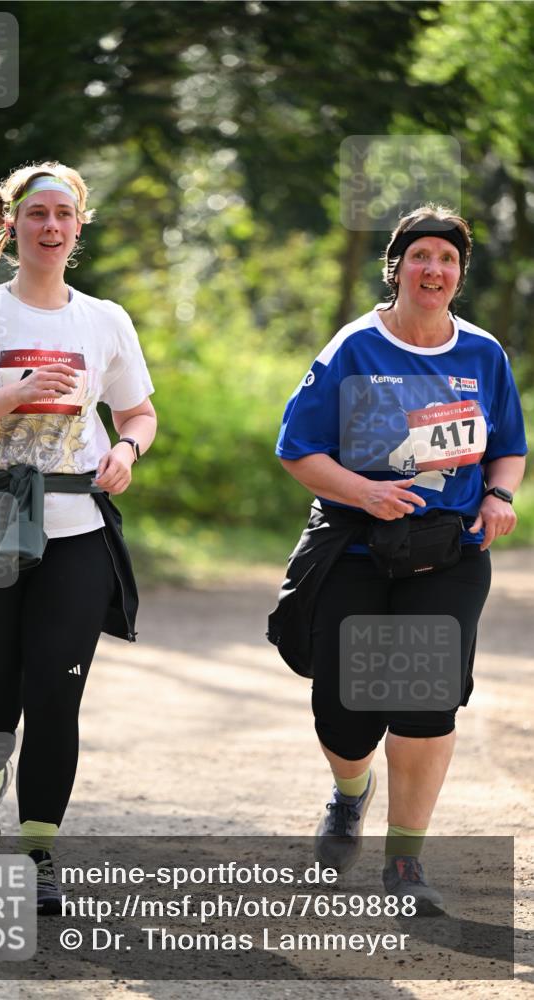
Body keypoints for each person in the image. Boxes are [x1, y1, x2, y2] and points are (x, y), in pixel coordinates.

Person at [0, 161, 156, 914]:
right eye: (37, 213)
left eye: (63, 215)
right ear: (13, 224)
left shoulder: (104, 319)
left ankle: (40, 849)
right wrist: (12, 396)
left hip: (76, 529)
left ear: (79, 227)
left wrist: (125, 451)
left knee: (56, 691)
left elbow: (137, 412)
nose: (50, 226)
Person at [272, 205, 526, 913]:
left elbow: (507, 443)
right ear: (396, 267)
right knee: (345, 714)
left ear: (459, 274)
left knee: (422, 703)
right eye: (420, 256)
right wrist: (366, 493)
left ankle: (405, 863)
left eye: (446, 260)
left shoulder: (481, 354)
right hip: (356, 546)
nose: (433, 270)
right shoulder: (354, 347)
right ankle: (350, 792)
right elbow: (297, 449)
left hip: (448, 552)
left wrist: (499, 495)